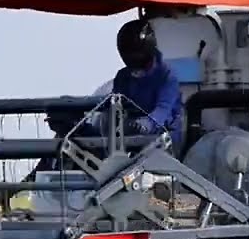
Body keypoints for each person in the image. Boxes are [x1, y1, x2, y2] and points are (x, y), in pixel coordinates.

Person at [44, 18, 185, 152]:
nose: (135, 62)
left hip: (164, 139)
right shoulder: (123, 76)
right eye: (130, 56)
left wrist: (146, 124)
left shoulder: (167, 76)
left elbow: (162, 110)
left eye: (138, 56)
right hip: (128, 138)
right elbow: (110, 104)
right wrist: (73, 107)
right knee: (77, 135)